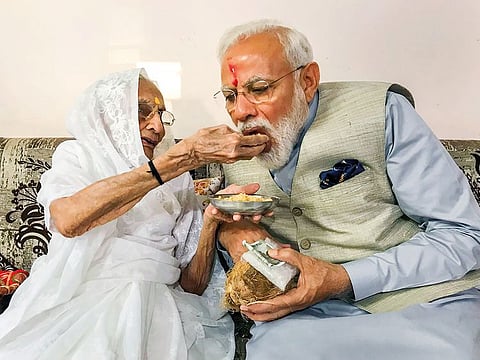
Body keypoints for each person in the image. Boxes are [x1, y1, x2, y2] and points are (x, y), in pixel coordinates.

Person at [213, 19, 480, 359]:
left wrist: (343, 277)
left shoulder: (382, 113)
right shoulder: (230, 150)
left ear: (307, 80)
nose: (241, 112)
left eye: (260, 88)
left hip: (423, 298)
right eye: (230, 96)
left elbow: (463, 233)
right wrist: (231, 231)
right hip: (305, 316)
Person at [0, 68, 270, 359]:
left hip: (160, 303)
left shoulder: (178, 178)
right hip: (79, 296)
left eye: (161, 116)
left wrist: (211, 220)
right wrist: (178, 160)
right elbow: (68, 221)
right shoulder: (78, 155)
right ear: (108, 112)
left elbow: (192, 285)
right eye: (143, 111)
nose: (158, 127)